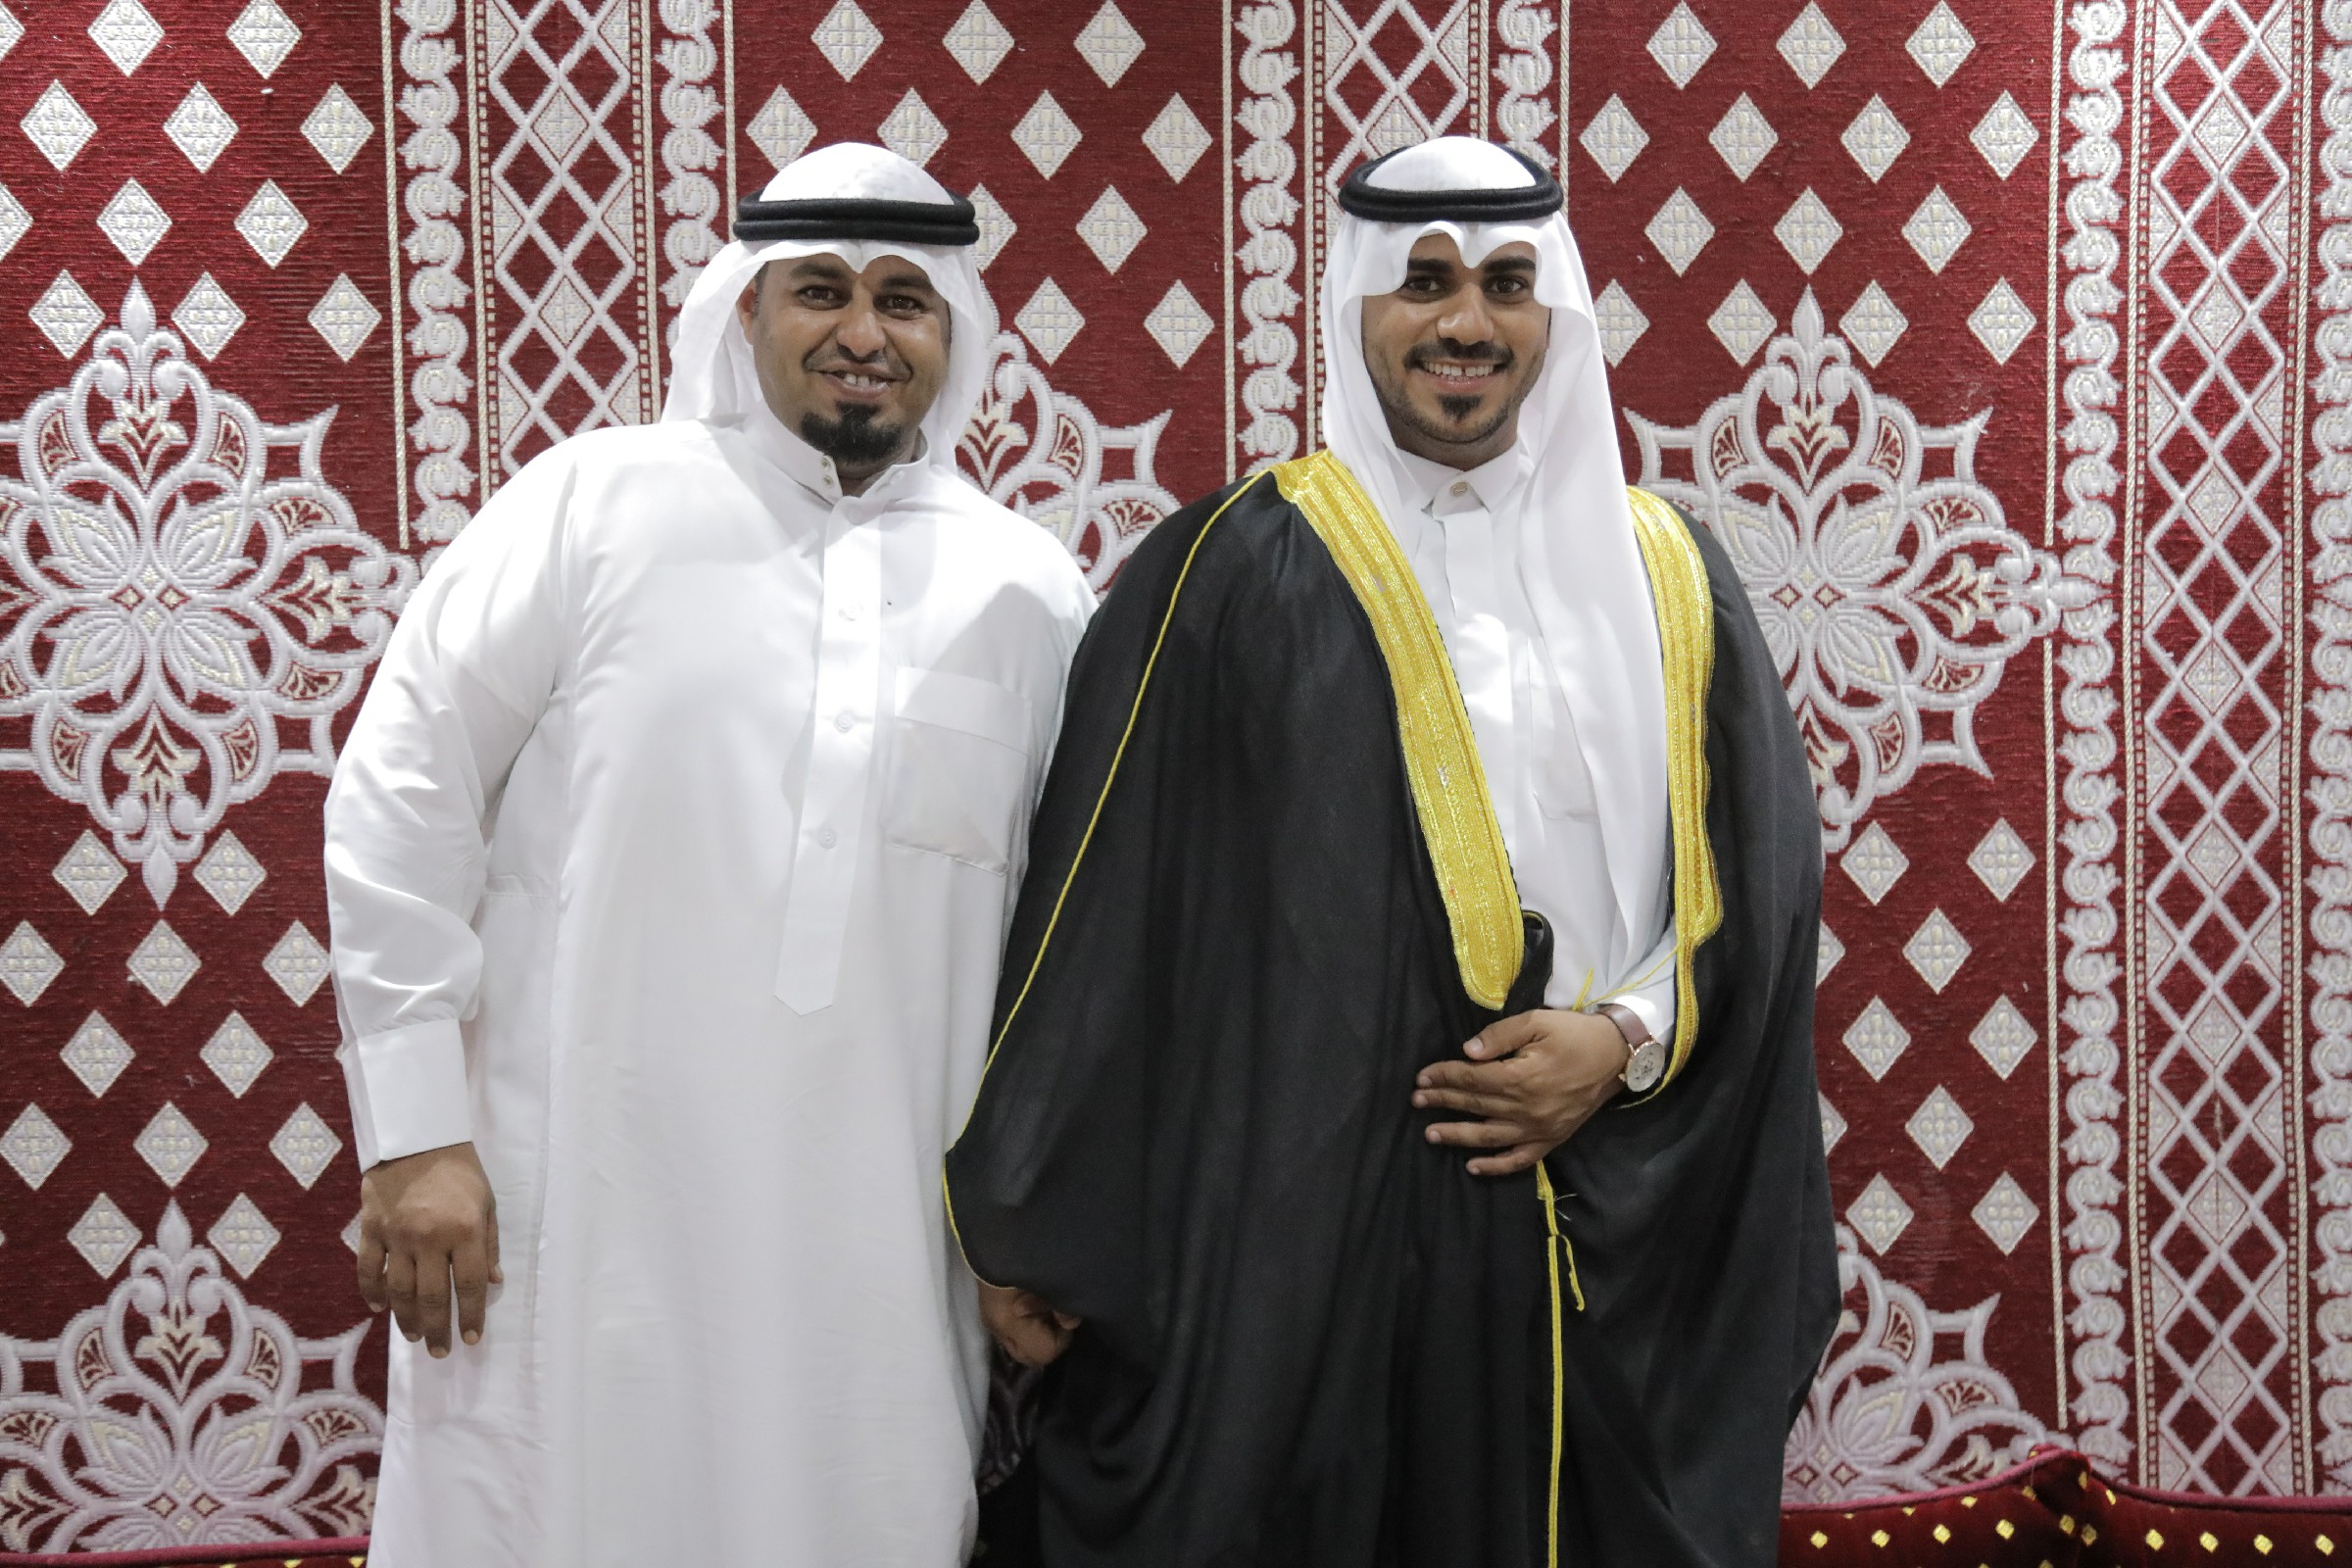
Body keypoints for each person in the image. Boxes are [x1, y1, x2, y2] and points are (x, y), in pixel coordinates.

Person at [944, 136, 1837, 1567]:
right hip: (1305, 1245)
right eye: (1422, 282)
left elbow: (1762, 896)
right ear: (1357, 302)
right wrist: (1029, 1214)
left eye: (1505, 284)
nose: (1465, 321)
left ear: (1557, 314)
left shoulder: (1669, 574)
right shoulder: (1234, 566)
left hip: (1610, 1223)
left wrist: (1621, 1042)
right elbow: (1105, 911)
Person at [325, 143, 1094, 1566]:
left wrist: (1026, 1227)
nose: (863, 332)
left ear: (953, 334)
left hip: (878, 1258)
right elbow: (400, 797)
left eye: (904, 300)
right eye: (822, 291)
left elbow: (1068, 947)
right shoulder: (592, 506)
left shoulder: (1029, 591)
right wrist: (416, 1134)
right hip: (577, 1212)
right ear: (746, 312)